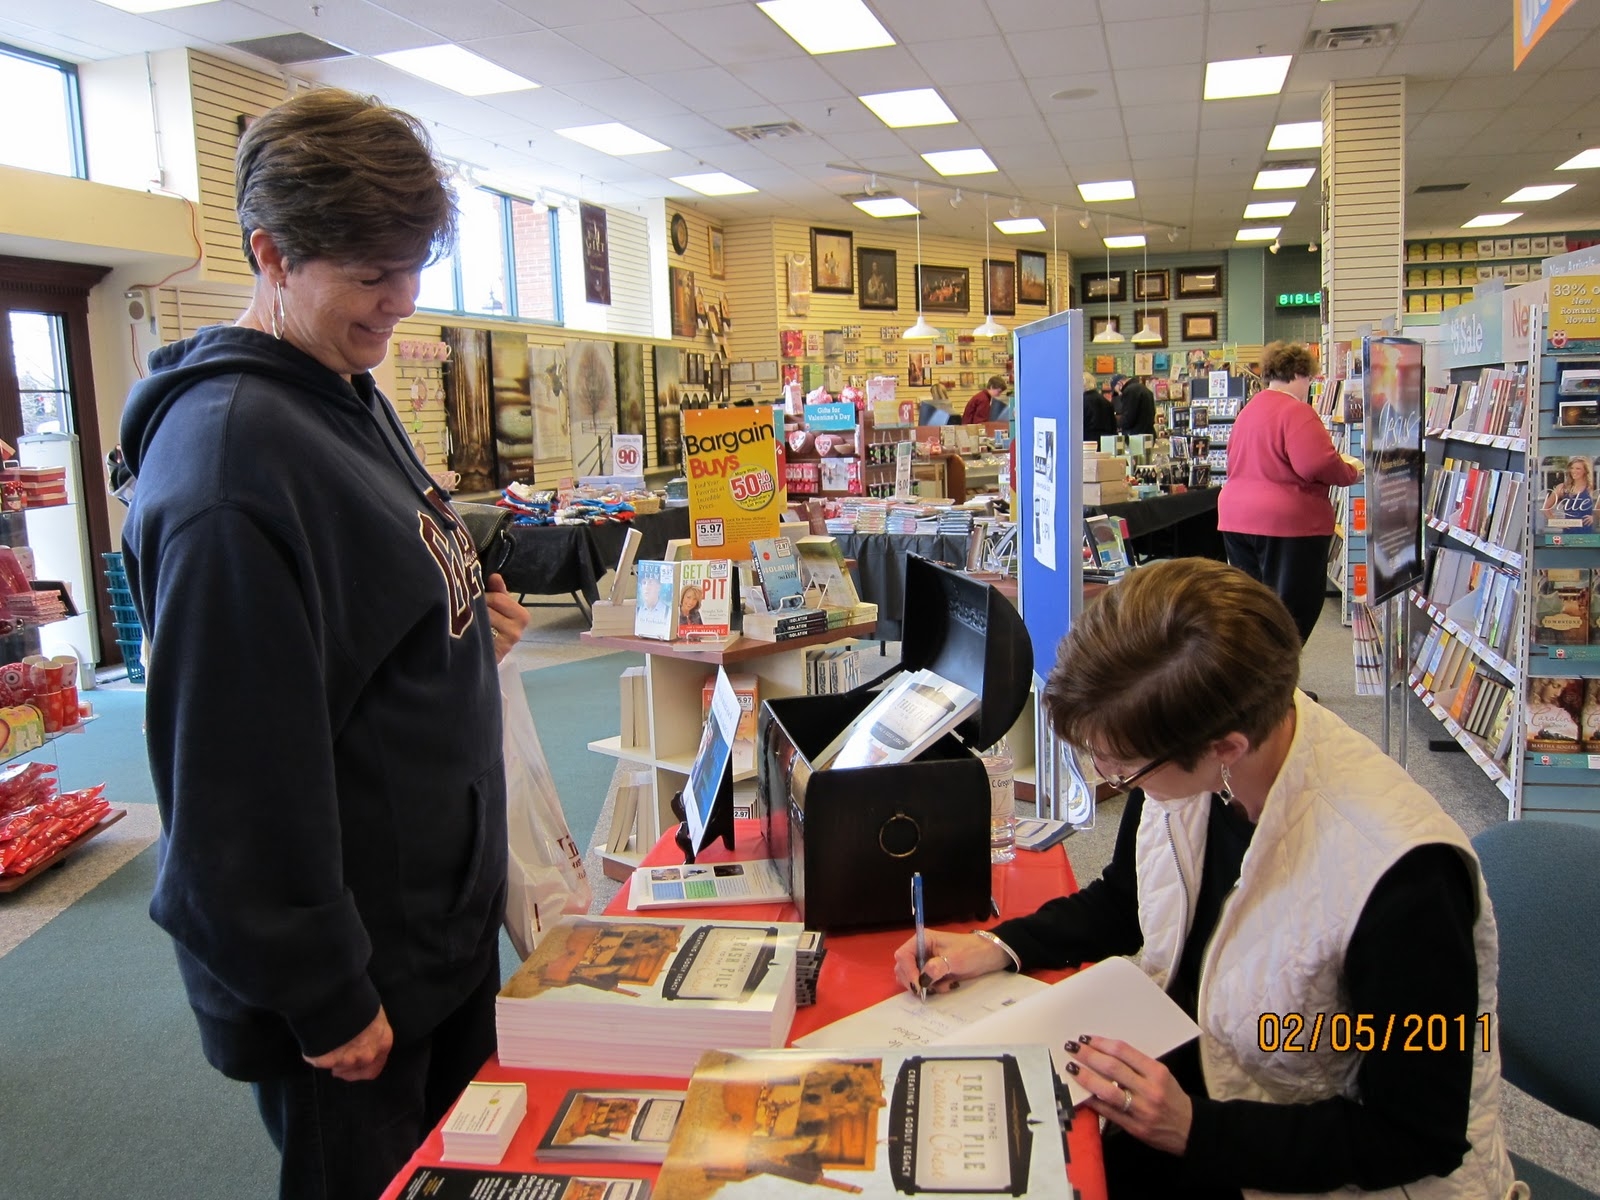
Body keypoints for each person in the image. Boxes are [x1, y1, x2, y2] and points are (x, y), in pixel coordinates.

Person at [118, 88, 531, 1200]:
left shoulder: (342, 386)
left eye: (414, 266)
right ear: (272, 255)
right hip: (354, 978)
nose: (402, 301)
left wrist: (462, 631)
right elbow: (229, 781)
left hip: (434, 926)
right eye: (371, 274)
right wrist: (324, 990)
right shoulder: (227, 473)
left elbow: (363, 614)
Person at [892, 559, 1515, 1200]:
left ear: (1226, 749)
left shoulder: (1403, 878)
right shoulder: (1192, 743)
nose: (1111, 776)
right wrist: (998, 946)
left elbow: (1416, 1135)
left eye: (1121, 767)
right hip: (1198, 1089)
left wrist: (1194, 1128)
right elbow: (1130, 899)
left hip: (1303, 1164)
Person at [1217, 340, 1360, 644]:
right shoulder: (1296, 411)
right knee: (1293, 609)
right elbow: (1316, 463)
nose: (1308, 386)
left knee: (1254, 607)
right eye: (1309, 378)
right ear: (1297, 374)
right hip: (1287, 523)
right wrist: (1351, 471)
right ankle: (1279, 670)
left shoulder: (1248, 411)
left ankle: (1256, 669)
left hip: (1236, 518)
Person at [1540, 454, 1595, 532]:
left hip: (1588, 531)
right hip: (1569, 531)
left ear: (1585, 471)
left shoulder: (1591, 488)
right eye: (1572, 468)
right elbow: (1545, 508)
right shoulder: (1562, 487)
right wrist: (1557, 523)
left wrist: (1594, 518)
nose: (1574, 471)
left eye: (1578, 468)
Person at [1083, 371, 1117, 442]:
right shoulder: (1106, 402)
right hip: (1106, 440)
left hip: (1088, 441)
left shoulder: (1081, 402)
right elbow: (1113, 425)